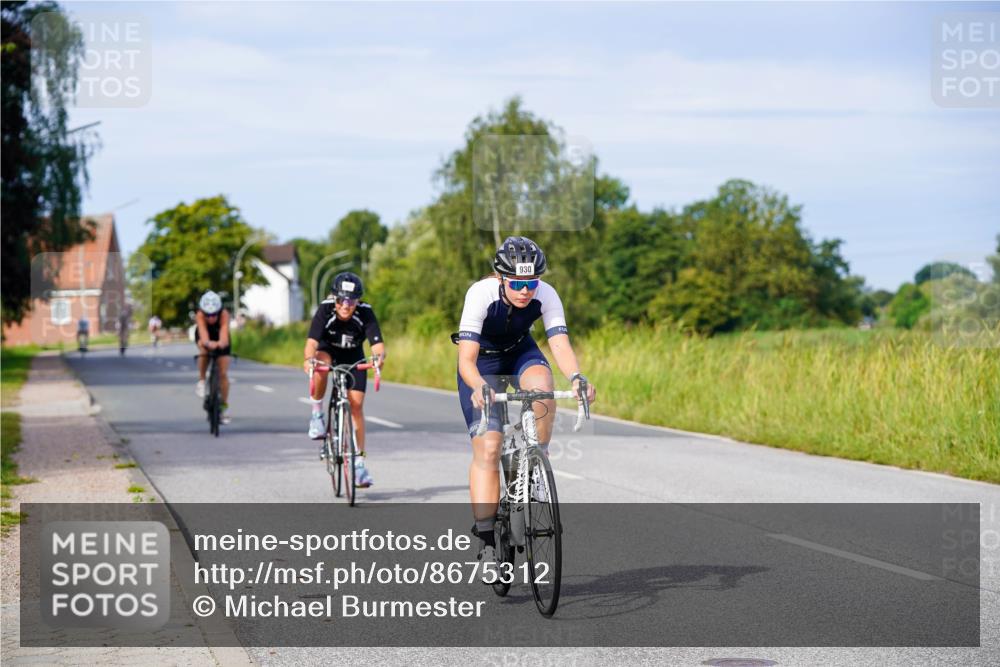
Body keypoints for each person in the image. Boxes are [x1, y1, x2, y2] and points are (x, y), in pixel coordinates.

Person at [456, 236, 596, 569]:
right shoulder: (480, 295)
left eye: (531, 282)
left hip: (521, 353)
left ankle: (535, 457)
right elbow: (466, 361)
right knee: (489, 448)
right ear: (501, 278)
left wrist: (576, 378)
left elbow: (558, 343)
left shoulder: (545, 294)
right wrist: (478, 386)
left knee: (543, 388)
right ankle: (488, 542)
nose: (525, 290)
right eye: (517, 283)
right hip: (483, 364)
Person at [303, 272, 385, 488]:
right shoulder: (325, 309)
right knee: (319, 365)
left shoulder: (365, 312)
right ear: (334, 298)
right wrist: (308, 360)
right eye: (341, 300)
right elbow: (311, 342)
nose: (346, 306)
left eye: (351, 301)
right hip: (327, 351)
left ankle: (358, 463)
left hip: (353, 355)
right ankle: (317, 415)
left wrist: (378, 359)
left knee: (356, 406)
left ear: (358, 300)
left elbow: (377, 345)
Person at [194, 291, 232, 424]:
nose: (210, 318)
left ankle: (223, 406)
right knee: (204, 351)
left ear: (219, 311)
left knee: (223, 373)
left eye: (213, 314)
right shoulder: (199, 315)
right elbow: (203, 335)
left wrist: (220, 344)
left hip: (219, 335)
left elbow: (224, 336)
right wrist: (208, 343)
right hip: (205, 335)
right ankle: (202, 380)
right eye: (207, 315)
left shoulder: (224, 314)